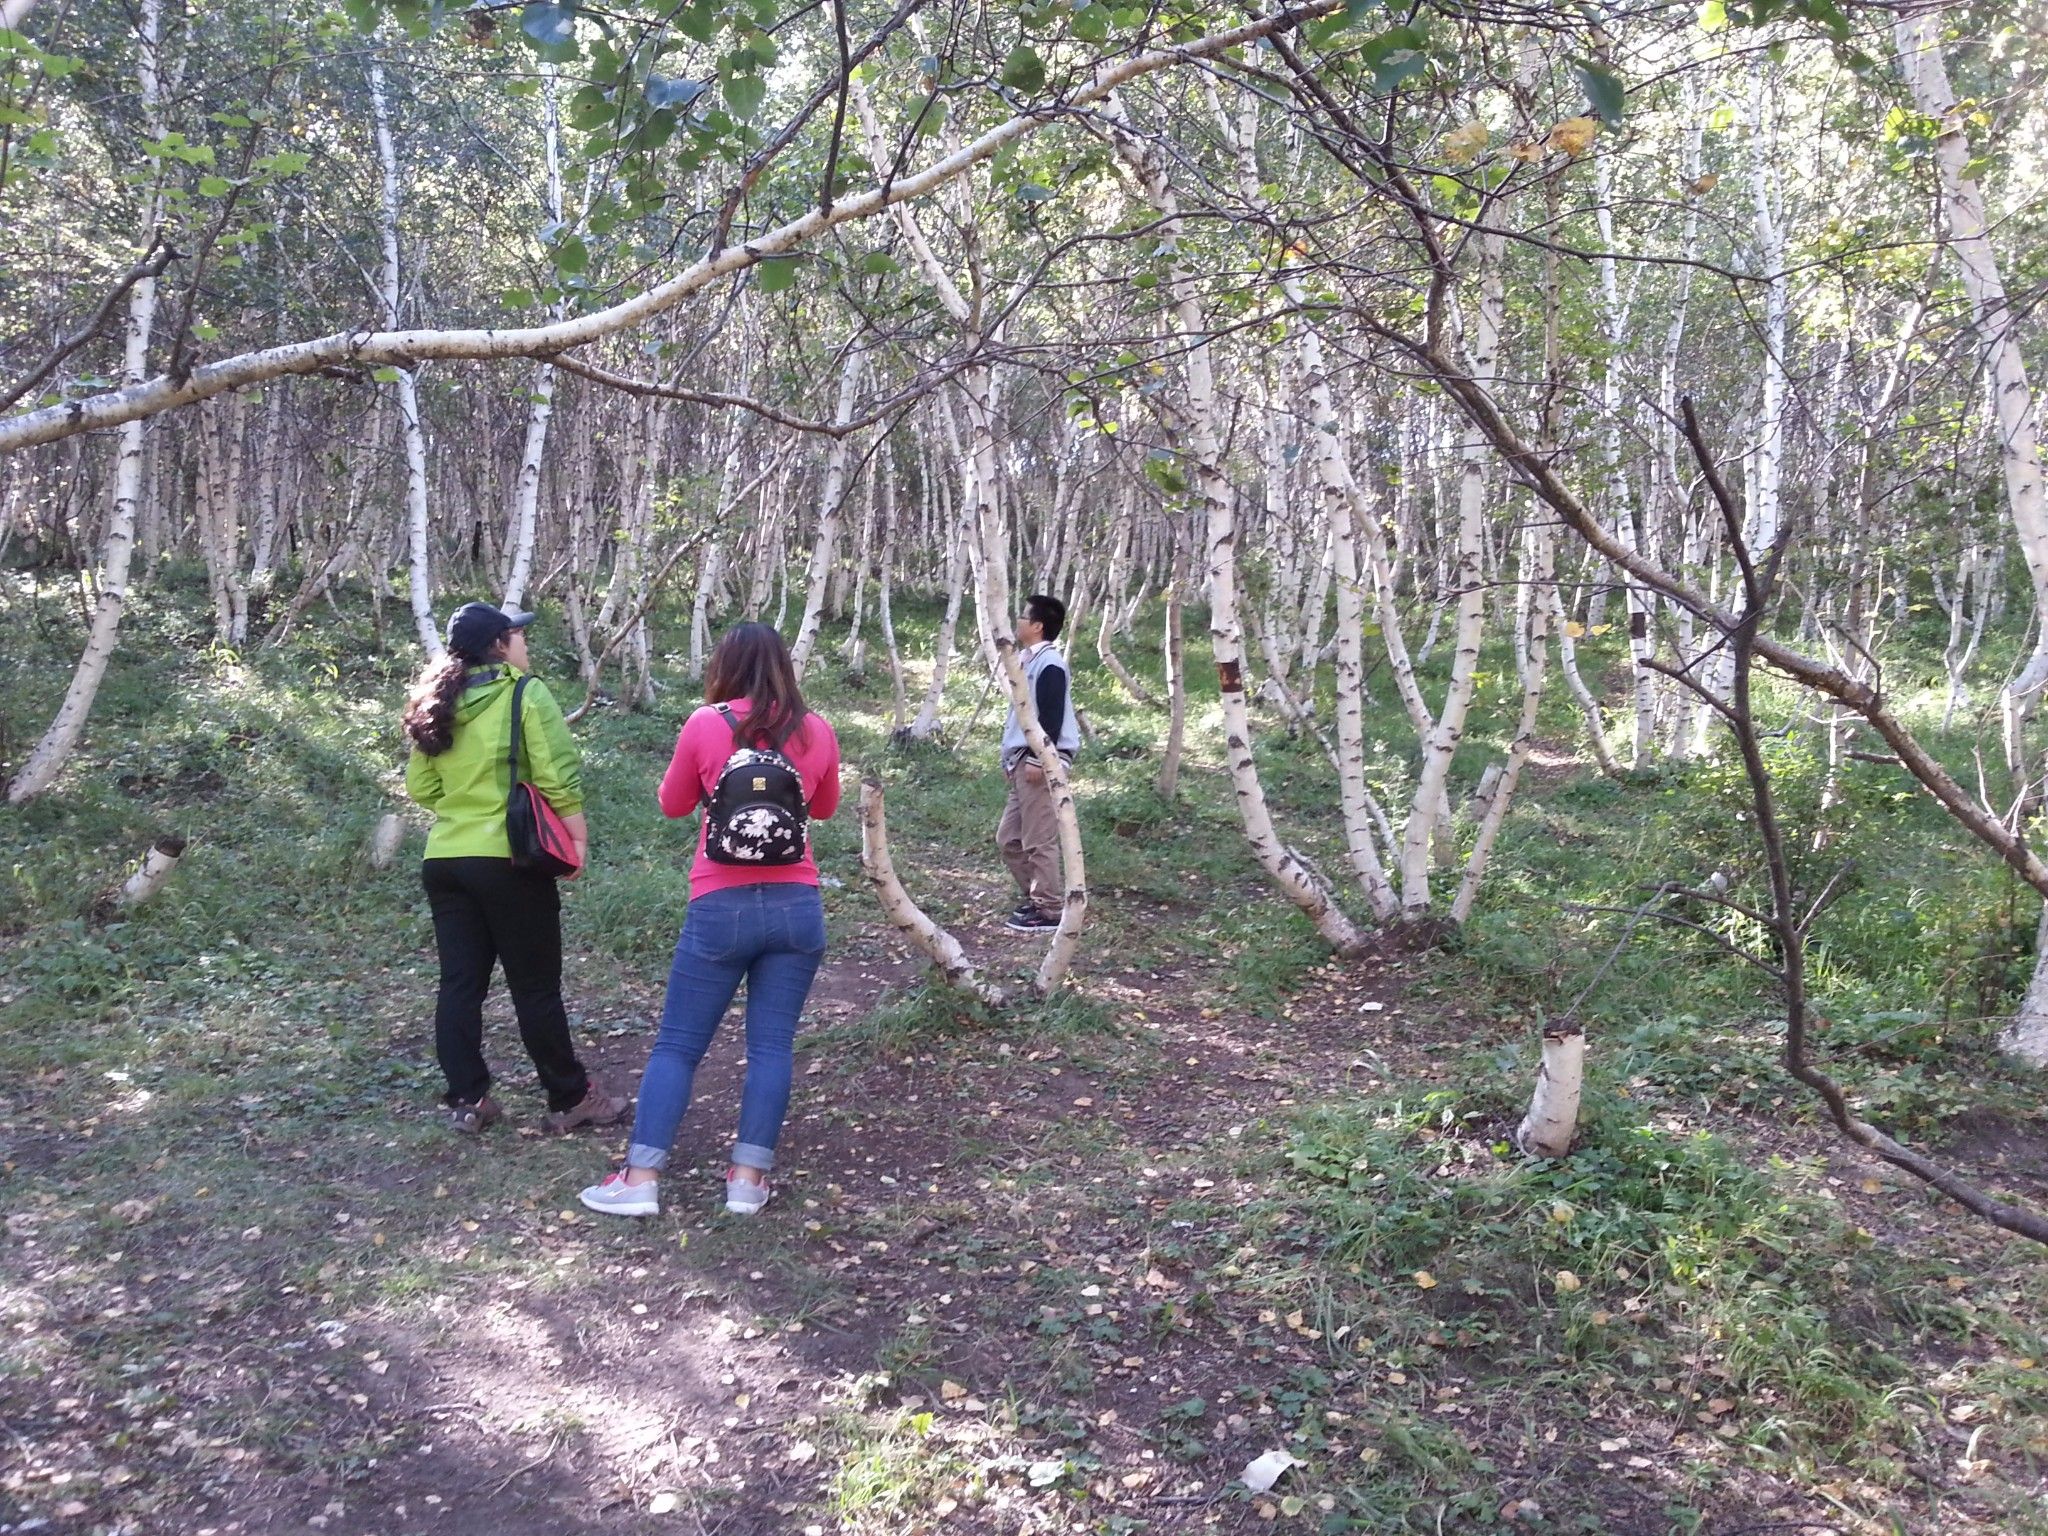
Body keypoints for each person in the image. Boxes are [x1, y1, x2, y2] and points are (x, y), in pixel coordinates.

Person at [580, 622, 842, 1219]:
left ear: (724, 665)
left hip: (719, 905)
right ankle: (748, 1182)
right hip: (797, 906)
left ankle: (641, 1177)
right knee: (772, 1046)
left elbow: (673, 805)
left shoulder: (706, 723)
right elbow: (823, 808)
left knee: (677, 1046)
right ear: (784, 666)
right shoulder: (817, 729)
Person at [402, 602, 626, 1135]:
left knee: (460, 983)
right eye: (518, 635)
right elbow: (555, 772)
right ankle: (571, 1098)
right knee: (535, 986)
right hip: (509, 859)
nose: (525, 643)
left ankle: (468, 1100)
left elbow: (421, 787)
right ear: (500, 645)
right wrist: (576, 837)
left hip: (445, 860)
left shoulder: (438, 701)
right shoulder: (525, 693)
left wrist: (466, 802)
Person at [997, 593, 1078, 932]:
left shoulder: (1050, 664)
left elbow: (1052, 715)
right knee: (1009, 839)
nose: (1018, 622)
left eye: (1023, 617)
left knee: (1038, 838)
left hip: (1041, 762)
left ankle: (1049, 910)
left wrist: (1037, 758)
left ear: (1037, 626)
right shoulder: (1028, 661)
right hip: (1022, 761)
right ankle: (1036, 896)